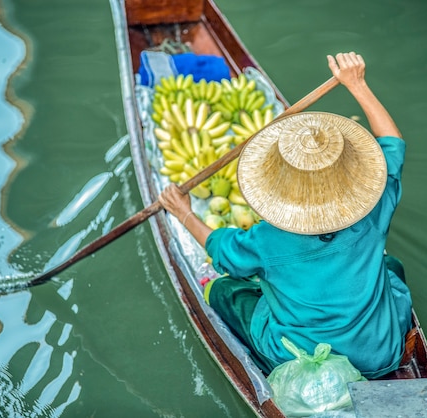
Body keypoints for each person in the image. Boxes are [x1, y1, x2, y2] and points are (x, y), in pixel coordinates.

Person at [157, 52, 412, 378]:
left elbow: (222, 251)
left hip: (298, 357)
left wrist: (184, 213)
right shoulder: (375, 206)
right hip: (379, 353)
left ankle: (268, 361)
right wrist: (357, 84)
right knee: (392, 266)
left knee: (224, 291)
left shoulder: (268, 238)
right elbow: (392, 144)